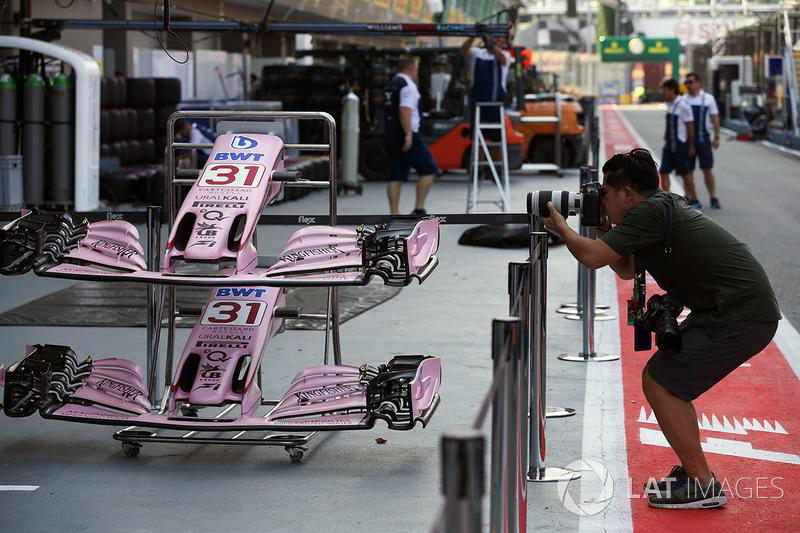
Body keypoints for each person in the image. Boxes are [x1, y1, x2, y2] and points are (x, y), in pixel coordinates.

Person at [540, 148, 780, 510]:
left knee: (662, 382)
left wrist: (561, 226)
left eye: (604, 192)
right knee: (663, 378)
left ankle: (702, 483)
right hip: (733, 308)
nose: (600, 198)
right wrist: (604, 226)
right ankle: (694, 474)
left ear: (627, 193)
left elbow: (591, 258)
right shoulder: (658, 205)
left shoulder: (648, 212)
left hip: (741, 313)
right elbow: (624, 267)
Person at [383, 56, 438, 216]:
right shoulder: (408, 86)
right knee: (429, 169)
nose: (417, 73)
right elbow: (404, 109)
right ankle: (419, 208)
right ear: (411, 69)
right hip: (408, 135)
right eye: (417, 69)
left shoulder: (391, 85)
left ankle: (394, 213)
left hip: (390, 134)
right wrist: (408, 135)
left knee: (396, 175)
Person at [460, 30, 512, 174]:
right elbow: (464, 51)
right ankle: (479, 169)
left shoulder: (505, 55)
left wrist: (491, 45)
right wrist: (472, 36)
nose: (497, 43)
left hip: (496, 102)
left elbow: (502, 58)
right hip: (478, 102)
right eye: (495, 39)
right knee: (479, 138)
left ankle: (495, 169)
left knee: (497, 138)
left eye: (500, 41)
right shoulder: (478, 53)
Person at [683, 72, 722, 209]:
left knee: (707, 169)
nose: (688, 84)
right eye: (686, 82)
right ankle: (688, 196)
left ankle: (713, 197)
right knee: (688, 170)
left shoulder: (708, 99)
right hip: (687, 141)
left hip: (703, 139)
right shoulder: (683, 100)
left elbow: (715, 118)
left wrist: (716, 137)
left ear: (698, 83)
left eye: (691, 81)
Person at [658, 78, 695, 194]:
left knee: (685, 173)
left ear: (672, 90)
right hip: (670, 144)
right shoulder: (671, 105)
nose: (663, 93)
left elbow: (690, 127)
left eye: (665, 90)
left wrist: (690, 146)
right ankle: (667, 197)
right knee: (664, 171)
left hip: (680, 145)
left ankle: (694, 198)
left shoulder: (683, 105)